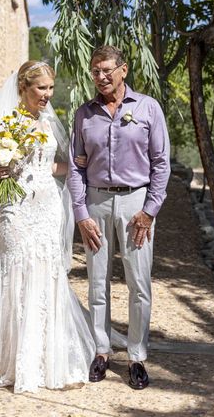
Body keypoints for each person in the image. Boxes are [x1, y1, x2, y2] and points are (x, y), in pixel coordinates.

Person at [0, 61, 95, 394]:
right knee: (18, 272)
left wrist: (84, 164)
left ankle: (48, 360)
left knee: (47, 272)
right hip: (15, 208)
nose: (47, 95)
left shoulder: (48, 122)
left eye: (51, 88)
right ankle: (14, 359)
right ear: (24, 87)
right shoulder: (6, 122)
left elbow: (50, 165)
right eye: (41, 88)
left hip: (47, 206)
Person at [68, 45, 171, 390]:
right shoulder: (84, 114)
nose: (101, 77)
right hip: (96, 203)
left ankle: (137, 356)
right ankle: (101, 351)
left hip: (135, 206)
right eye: (95, 71)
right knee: (97, 281)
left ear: (123, 70)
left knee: (138, 284)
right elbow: (75, 167)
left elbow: (161, 164)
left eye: (107, 70)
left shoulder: (147, 108)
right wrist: (81, 214)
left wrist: (149, 211)